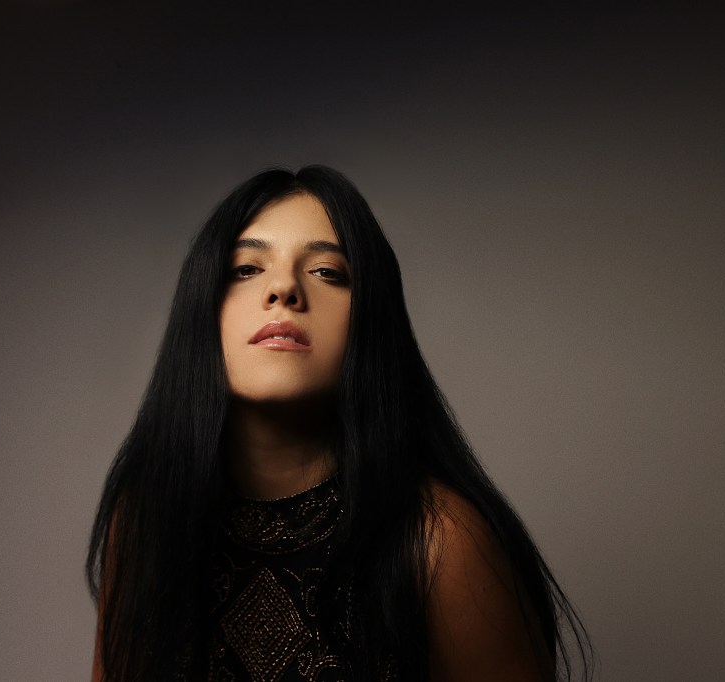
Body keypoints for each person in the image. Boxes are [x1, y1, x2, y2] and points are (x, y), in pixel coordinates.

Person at [87, 166, 591, 681]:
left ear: (371, 317)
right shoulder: (148, 517)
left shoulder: (439, 541)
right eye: (245, 268)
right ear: (202, 306)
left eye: (327, 272)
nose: (284, 288)